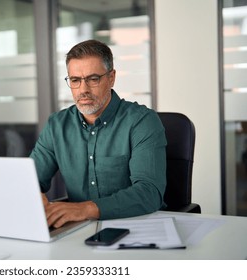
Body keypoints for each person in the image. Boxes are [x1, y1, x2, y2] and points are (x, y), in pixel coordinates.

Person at [30, 39, 167, 228]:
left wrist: (85, 209)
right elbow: (30, 180)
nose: (83, 90)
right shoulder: (57, 125)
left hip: (136, 227)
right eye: (75, 80)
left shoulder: (142, 122)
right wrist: (32, 195)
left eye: (93, 79)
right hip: (77, 230)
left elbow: (149, 193)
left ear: (111, 78)